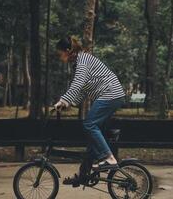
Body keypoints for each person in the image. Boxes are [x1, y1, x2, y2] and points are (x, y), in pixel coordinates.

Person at [53, 36, 125, 185]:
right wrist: (69, 103)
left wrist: (64, 99)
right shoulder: (79, 62)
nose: (59, 57)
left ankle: (109, 158)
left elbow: (78, 83)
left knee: (89, 124)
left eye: (60, 53)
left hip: (110, 93)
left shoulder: (83, 59)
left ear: (68, 51)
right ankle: (84, 175)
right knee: (93, 140)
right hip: (111, 95)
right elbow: (84, 90)